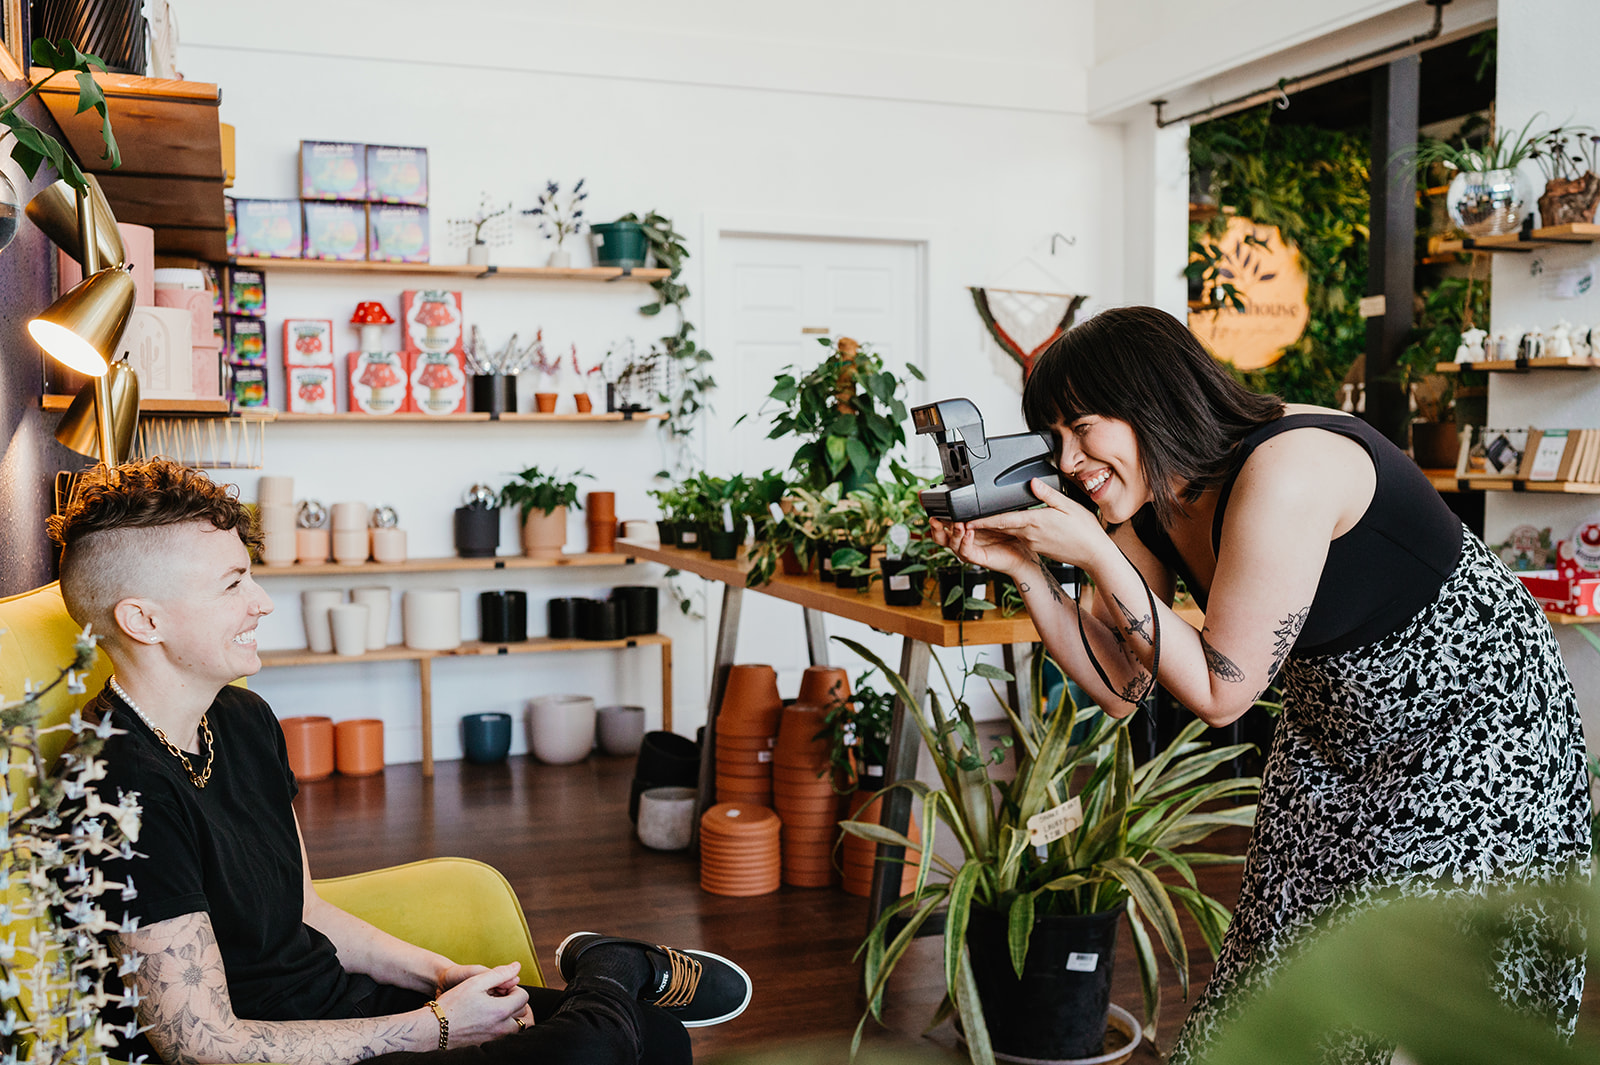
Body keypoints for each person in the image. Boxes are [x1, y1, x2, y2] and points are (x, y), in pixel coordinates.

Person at [931, 306, 1590, 1062]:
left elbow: (1220, 692)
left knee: (1402, 979)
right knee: (1276, 963)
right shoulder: (1151, 495)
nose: (1072, 460)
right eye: (1055, 439)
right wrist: (1024, 566)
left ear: (1154, 401)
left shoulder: (1287, 468)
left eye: (1085, 427)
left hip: (1470, 727)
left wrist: (1095, 555)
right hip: (1333, 728)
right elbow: (1123, 684)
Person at [49, 459, 752, 1065]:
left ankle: (614, 983)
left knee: (659, 1037)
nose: (262, 602)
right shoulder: (115, 788)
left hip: (347, 1007)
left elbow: (306, 908)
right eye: (232, 584)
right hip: (294, 1050)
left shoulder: (242, 717)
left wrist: (439, 975)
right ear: (144, 620)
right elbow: (201, 1043)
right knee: (596, 1047)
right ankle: (614, 965)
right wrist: (435, 1027)